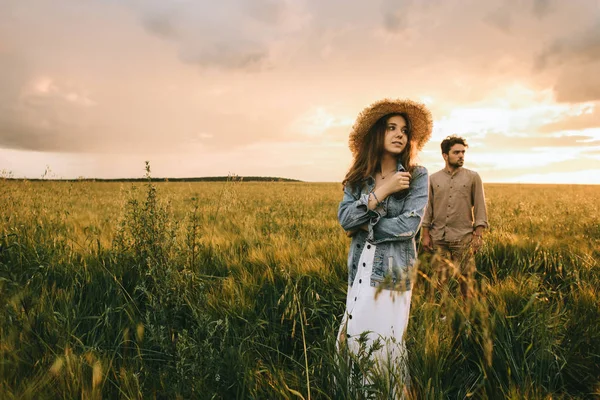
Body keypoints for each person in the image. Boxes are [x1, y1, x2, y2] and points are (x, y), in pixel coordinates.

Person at [337, 98, 432, 390]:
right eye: (391, 127)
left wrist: (366, 222)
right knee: (351, 342)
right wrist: (382, 191)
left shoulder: (417, 176)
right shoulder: (357, 178)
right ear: (378, 133)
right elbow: (344, 219)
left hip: (392, 277)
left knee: (383, 349)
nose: (399, 134)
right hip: (359, 273)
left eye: (404, 129)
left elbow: (409, 226)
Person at [421, 135, 488, 298]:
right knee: (441, 281)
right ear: (445, 155)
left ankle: (465, 317)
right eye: (456, 152)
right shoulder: (433, 179)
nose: (461, 156)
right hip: (438, 238)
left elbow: (480, 206)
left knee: (465, 280)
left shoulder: (473, 177)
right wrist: (425, 234)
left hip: (463, 238)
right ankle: (443, 315)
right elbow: (428, 208)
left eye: (463, 153)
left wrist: (478, 235)